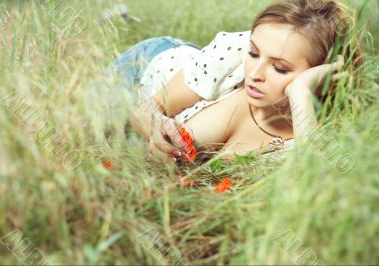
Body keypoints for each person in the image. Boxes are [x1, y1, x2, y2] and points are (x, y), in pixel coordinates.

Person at [110, 0, 362, 164]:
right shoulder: (233, 55)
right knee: (82, 126)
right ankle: (117, 19)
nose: (255, 73)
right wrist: (155, 125)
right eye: (253, 53)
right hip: (146, 64)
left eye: (279, 68)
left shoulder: (315, 132)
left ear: (323, 77)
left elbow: (310, 183)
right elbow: (146, 108)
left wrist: (301, 92)